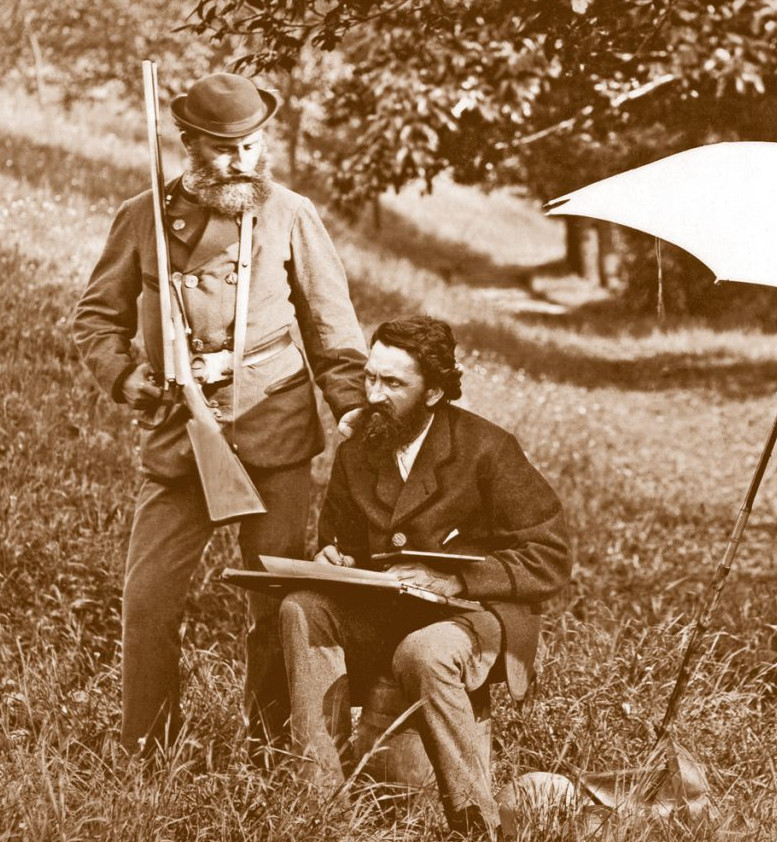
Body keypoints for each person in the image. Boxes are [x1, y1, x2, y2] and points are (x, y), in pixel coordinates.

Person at [72, 72, 368, 758]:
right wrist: (128, 377)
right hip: (182, 433)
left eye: (254, 146)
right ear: (190, 144)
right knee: (147, 601)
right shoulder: (141, 215)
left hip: (275, 427)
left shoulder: (291, 214)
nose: (245, 162)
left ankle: (270, 746)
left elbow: (333, 329)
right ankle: (149, 749)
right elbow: (95, 318)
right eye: (228, 149)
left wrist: (353, 407)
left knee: (276, 602)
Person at [279, 316, 571, 838]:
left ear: (434, 391)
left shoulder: (487, 448)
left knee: (425, 652)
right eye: (371, 378)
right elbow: (340, 539)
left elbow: (549, 556)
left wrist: (457, 581)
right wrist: (333, 559)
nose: (374, 394)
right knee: (301, 606)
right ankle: (322, 809)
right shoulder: (357, 451)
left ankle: (475, 822)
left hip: (472, 616)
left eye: (394, 384)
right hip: (385, 613)